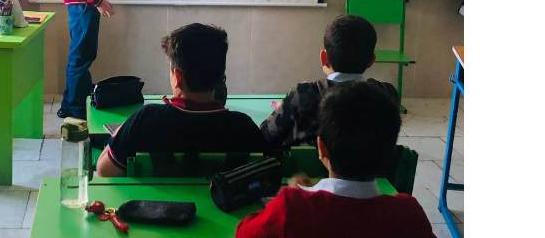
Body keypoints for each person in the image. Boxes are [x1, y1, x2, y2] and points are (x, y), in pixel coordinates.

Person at [236, 81, 434, 238]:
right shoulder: (409, 216)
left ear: (321, 148)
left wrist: (294, 198)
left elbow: (244, 233)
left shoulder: (291, 209)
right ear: (390, 153)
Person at [96, 23, 268, 177]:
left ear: (177, 77)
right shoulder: (244, 127)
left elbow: (104, 170)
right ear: (220, 76)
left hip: (156, 203)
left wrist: (122, 130)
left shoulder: (146, 120)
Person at [260, 14, 397, 148]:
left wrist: (286, 108)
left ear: (323, 57)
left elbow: (265, 135)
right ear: (372, 60)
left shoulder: (302, 95)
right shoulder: (387, 94)